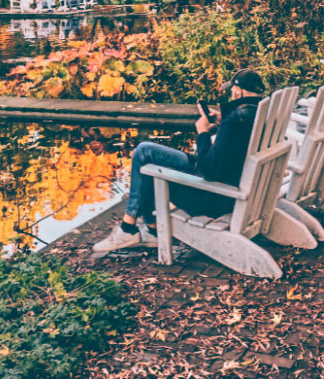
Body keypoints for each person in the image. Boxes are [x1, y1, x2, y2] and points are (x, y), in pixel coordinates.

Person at [92, 68, 266, 254]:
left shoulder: (234, 122)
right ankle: (150, 229)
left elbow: (208, 171)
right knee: (145, 152)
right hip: (235, 183)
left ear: (238, 91)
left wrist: (204, 133)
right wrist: (223, 120)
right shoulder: (258, 113)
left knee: (149, 168)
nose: (231, 93)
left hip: (213, 198)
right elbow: (229, 147)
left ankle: (129, 229)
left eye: (232, 90)